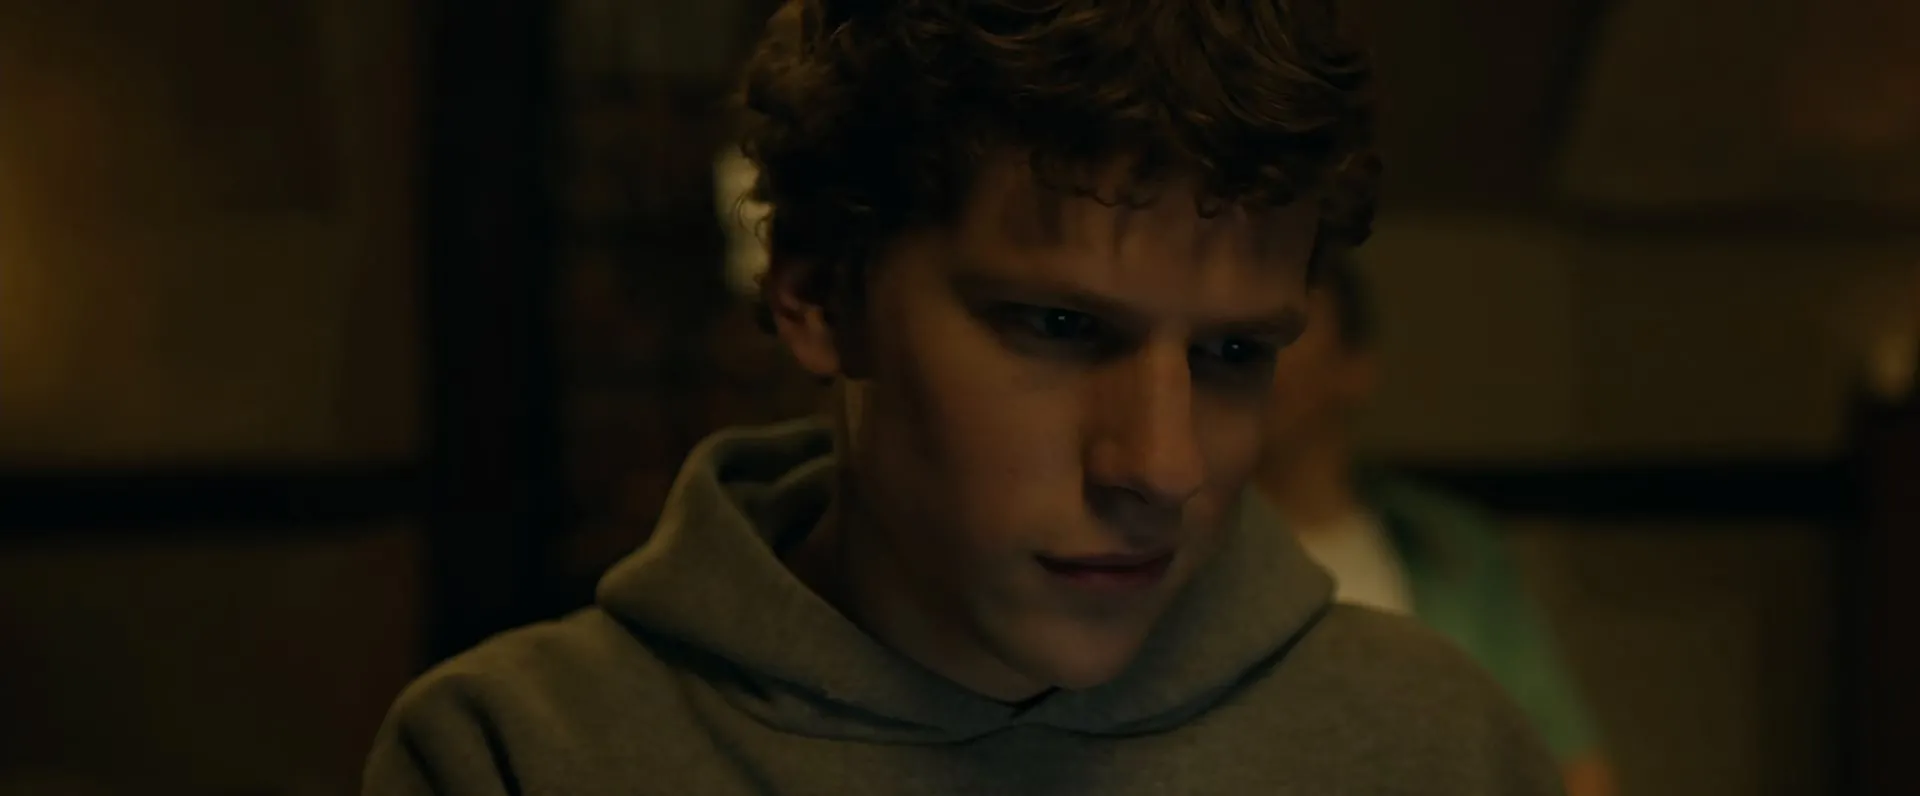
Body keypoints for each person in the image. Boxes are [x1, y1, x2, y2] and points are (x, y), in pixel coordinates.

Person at [363, 1, 1563, 793]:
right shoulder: (521, 756)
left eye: (1234, 354)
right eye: (1059, 326)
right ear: (819, 291)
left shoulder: (1437, 749)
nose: (1161, 465)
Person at [1251, 251, 1617, 796]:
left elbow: (1570, 760)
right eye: (1239, 341)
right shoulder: (1188, 554)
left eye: (1290, 332)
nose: (1265, 359)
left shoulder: (1447, 547)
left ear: (1354, 368)